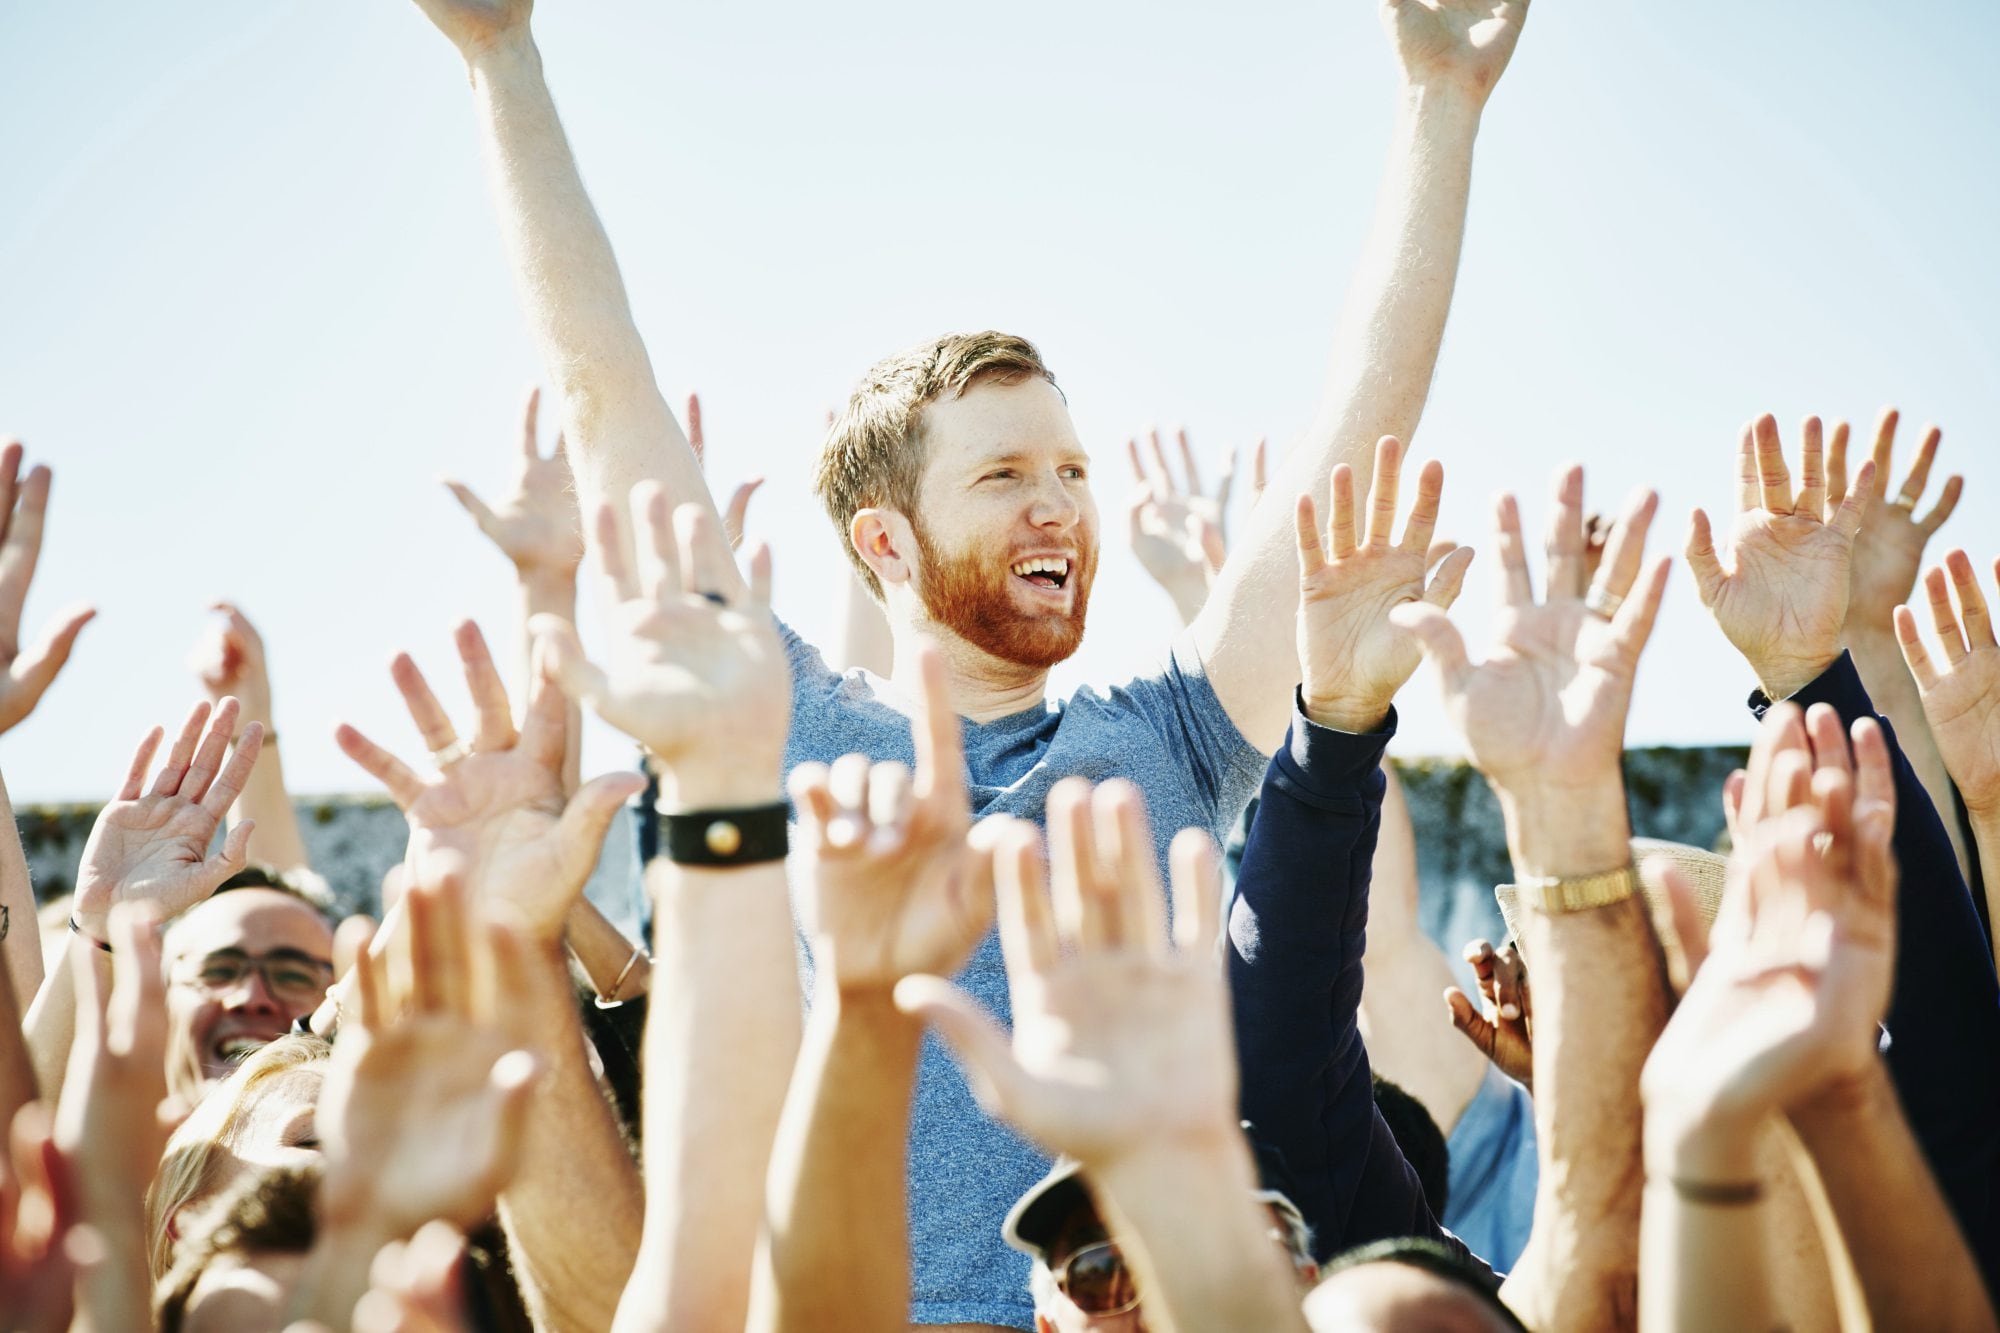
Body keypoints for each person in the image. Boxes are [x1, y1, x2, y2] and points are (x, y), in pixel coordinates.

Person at [395, 0, 1534, 1319]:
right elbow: (609, 398)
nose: (1060, 504)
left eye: (1070, 469)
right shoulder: (779, 724)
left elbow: (1353, 432)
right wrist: (502, 63)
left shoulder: (1166, 734)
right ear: (886, 539)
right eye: (1003, 475)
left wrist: (1438, 109)